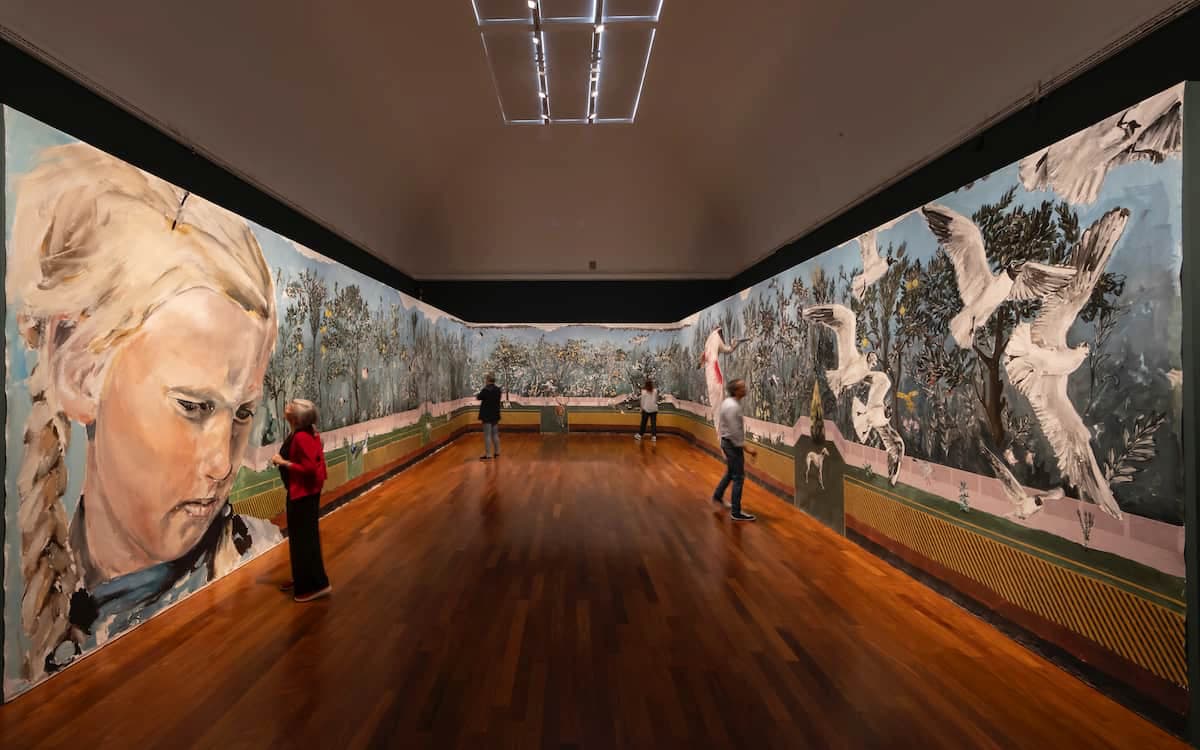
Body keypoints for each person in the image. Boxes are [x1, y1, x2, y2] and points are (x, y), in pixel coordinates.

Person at [6, 142, 281, 681]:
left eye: (243, 413)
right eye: (193, 406)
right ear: (78, 371)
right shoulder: (24, 614)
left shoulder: (263, 557)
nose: (222, 463)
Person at [272, 399, 331, 602]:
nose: (287, 406)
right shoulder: (305, 432)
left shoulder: (302, 437)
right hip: (303, 492)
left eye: (291, 406)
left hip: (304, 494)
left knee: (304, 540)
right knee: (300, 539)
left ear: (297, 418)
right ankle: (302, 578)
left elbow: (310, 469)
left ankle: (316, 585)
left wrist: (283, 462)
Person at [712, 379, 758, 521]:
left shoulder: (728, 402)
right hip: (732, 445)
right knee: (738, 477)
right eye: (742, 387)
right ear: (736, 391)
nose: (745, 388)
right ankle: (736, 512)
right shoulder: (733, 407)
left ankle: (718, 496)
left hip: (728, 443)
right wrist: (747, 448)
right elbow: (734, 432)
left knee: (731, 473)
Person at [477, 373, 502, 460]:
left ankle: (488, 454)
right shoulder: (498, 390)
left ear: (487, 380)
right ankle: (497, 452)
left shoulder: (485, 390)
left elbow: (479, 397)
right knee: (495, 434)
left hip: (486, 415)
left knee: (487, 435)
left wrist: (484, 389)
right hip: (495, 414)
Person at [634, 379, 659, 443]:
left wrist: (641, 409)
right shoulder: (655, 391)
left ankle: (640, 435)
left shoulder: (644, 391)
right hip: (654, 409)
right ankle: (654, 436)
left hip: (646, 409)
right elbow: (656, 400)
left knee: (643, 423)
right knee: (653, 423)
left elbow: (642, 401)